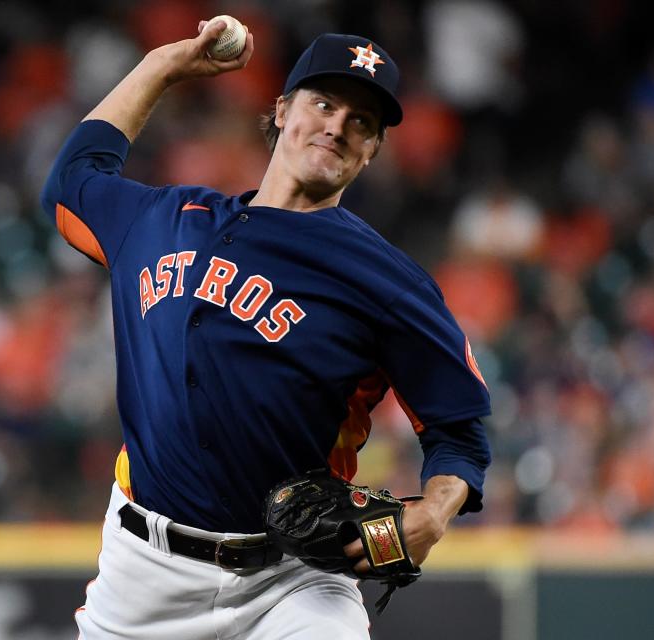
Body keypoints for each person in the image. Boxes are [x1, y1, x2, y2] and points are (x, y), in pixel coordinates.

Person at [41, 19, 491, 640]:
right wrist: (164, 66)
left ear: (373, 150)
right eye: (323, 103)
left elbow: (458, 430)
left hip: (292, 581)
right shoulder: (165, 221)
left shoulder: (389, 283)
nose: (336, 126)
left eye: (362, 121)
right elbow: (73, 182)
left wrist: (435, 513)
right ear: (281, 110)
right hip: (143, 575)